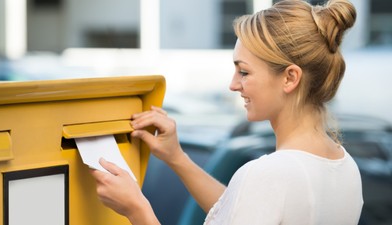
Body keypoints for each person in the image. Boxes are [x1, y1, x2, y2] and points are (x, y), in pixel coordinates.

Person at [89, 0, 363, 224]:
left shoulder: (267, 175)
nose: (233, 85)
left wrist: (137, 209)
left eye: (244, 72)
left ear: (290, 78)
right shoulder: (347, 168)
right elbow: (241, 210)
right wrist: (177, 158)